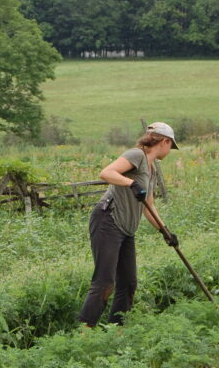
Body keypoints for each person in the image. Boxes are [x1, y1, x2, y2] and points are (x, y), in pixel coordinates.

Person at [78, 121, 179, 327]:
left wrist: (165, 231)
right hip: (108, 220)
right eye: (171, 146)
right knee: (104, 282)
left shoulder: (151, 168)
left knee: (128, 283)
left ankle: (117, 331)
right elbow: (107, 173)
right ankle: (84, 333)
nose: (170, 150)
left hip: (126, 229)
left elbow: (148, 205)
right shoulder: (137, 155)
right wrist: (131, 183)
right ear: (165, 141)